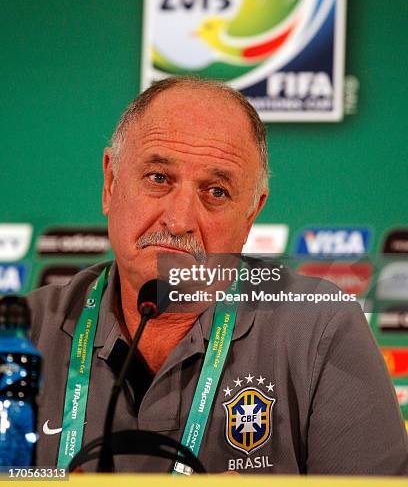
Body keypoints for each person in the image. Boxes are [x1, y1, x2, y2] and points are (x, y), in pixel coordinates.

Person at [28, 77, 408, 474]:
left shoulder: (320, 331)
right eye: (159, 178)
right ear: (110, 182)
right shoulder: (23, 332)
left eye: (216, 191)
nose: (178, 221)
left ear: (251, 215)